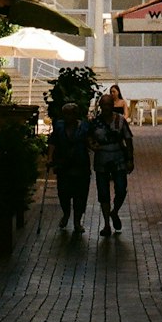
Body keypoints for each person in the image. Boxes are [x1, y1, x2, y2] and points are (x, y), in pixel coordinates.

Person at [90, 91, 134, 236]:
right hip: (102, 158)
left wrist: (130, 159)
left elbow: (128, 139)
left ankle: (114, 211)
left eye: (109, 104)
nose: (107, 107)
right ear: (101, 106)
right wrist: (92, 145)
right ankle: (107, 224)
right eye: (104, 105)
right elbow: (88, 138)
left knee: (121, 189)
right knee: (103, 192)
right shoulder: (95, 122)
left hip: (118, 157)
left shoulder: (120, 120)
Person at [47, 101, 91, 235]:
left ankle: (77, 221)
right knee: (63, 194)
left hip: (80, 165)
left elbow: (89, 141)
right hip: (63, 166)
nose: (67, 117)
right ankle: (66, 214)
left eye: (69, 114)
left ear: (75, 115)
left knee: (80, 195)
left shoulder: (84, 127)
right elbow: (53, 142)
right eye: (65, 114)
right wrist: (50, 158)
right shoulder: (59, 126)